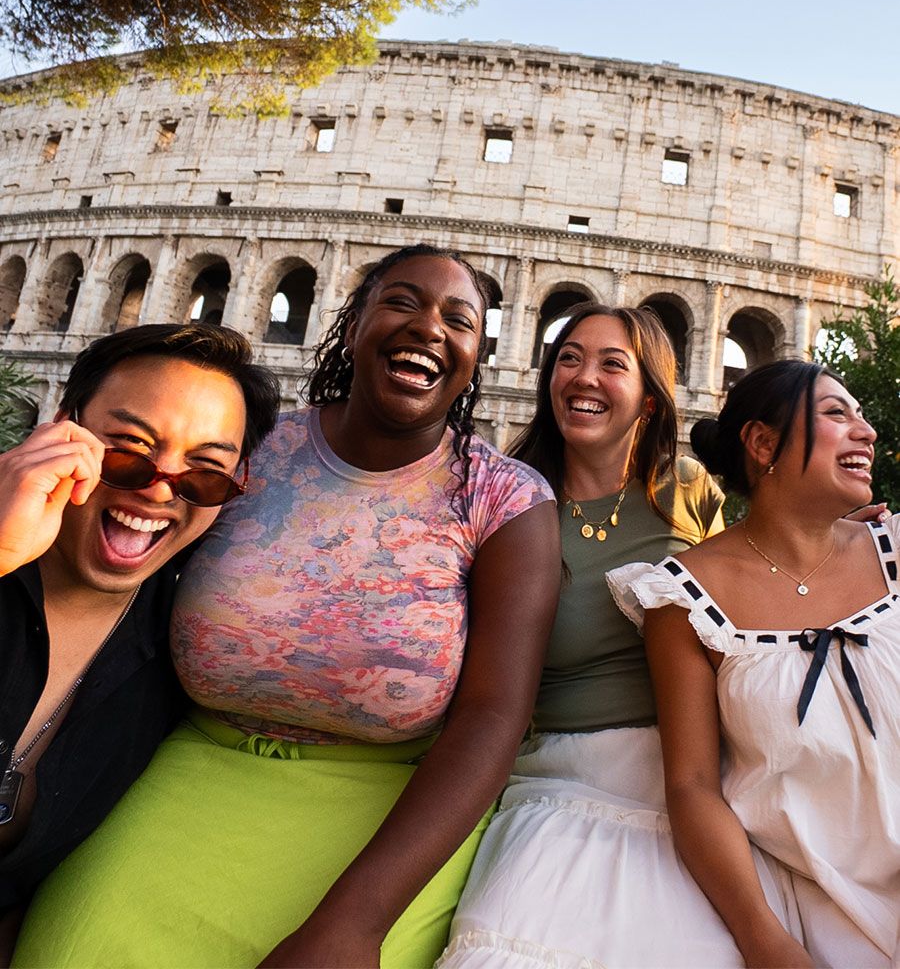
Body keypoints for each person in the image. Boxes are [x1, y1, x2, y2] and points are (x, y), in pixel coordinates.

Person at [14, 243, 561, 969]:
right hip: (190, 773)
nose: (430, 327)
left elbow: (495, 715)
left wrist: (356, 924)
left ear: (475, 354)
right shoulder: (251, 451)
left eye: (459, 320)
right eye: (401, 302)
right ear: (354, 321)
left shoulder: (505, 498)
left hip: (391, 814)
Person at [437, 303, 794, 969]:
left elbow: (755, 595)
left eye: (611, 363)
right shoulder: (513, 501)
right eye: (568, 357)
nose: (582, 377)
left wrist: (832, 537)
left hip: (699, 778)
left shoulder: (687, 490)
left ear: (650, 399)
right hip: (562, 778)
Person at [0, 323, 280, 964]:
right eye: (128, 450)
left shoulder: (185, 651)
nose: (158, 488)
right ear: (63, 427)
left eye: (205, 475)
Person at [609, 360, 900, 968]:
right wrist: (763, 939)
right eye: (835, 413)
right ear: (763, 442)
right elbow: (692, 787)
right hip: (814, 898)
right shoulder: (682, 601)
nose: (867, 431)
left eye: (863, 415)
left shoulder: (894, 551)